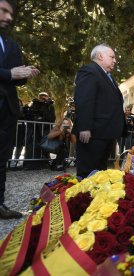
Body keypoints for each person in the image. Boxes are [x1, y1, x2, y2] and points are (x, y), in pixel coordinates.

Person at [0, 0, 40, 219]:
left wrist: (24, 73)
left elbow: (17, 77)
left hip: (7, 110)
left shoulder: (11, 44)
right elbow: (8, 73)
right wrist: (9, 74)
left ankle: (0, 204)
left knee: (1, 159)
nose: (9, 17)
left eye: (10, 13)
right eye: (4, 11)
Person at [72, 44, 126, 179]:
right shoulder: (89, 71)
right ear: (100, 56)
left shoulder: (107, 75)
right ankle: (83, 199)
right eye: (112, 57)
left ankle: (97, 199)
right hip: (93, 133)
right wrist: (84, 127)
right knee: (88, 173)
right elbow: (84, 100)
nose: (115, 60)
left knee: (99, 173)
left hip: (104, 132)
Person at [24, 91, 56, 169]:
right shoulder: (35, 104)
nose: (43, 98)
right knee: (33, 145)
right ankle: (30, 163)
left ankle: (45, 162)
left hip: (45, 129)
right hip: (34, 129)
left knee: (45, 145)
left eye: (45, 96)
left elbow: (52, 118)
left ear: (48, 97)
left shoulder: (50, 106)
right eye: (41, 96)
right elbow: (29, 116)